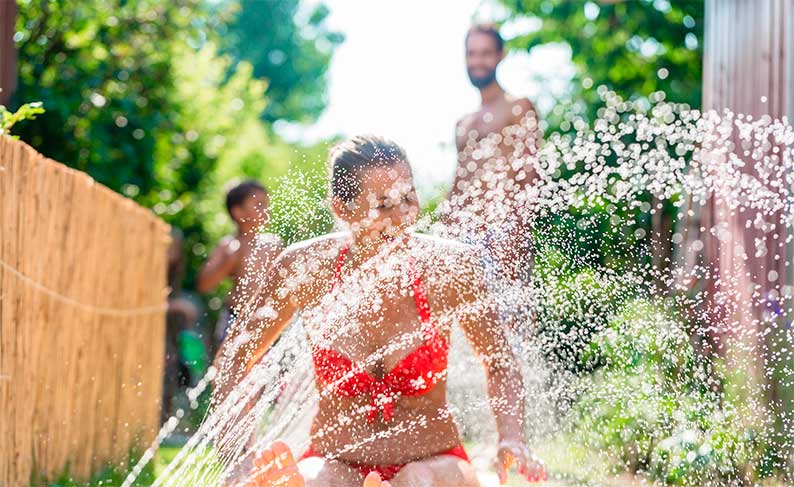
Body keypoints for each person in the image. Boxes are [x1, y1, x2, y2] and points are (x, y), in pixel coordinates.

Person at [213, 136, 547, 486]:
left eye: (408, 198)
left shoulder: (451, 267)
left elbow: (499, 360)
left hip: (434, 461)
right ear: (341, 210)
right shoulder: (306, 267)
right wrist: (238, 459)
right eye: (384, 205)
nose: (402, 217)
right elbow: (235, 357)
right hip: (336, 459)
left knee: (416, 480)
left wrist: (512, 437)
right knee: (317, 482)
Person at [440, 23, 542, 282]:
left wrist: (516, 237)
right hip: (466, 236)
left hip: (504, 232)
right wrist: (444, 230)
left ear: (500, 56)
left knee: (510, 318)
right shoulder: (462, 123)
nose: (477, 61)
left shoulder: (517, 107)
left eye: (485, 53)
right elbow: (460, 183)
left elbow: (531, 177)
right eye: (471, 53)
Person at [197, 180, 284, 353]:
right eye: (259, 205)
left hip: (268, 321)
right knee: (229, 370)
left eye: (266, 204)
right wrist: (229, 261)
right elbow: (203, 285)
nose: (266, 210)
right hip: (235, 319)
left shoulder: (273, 244)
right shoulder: (229, 245)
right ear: (238, 212)